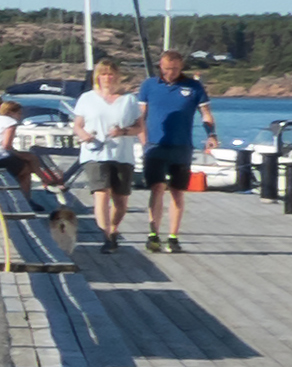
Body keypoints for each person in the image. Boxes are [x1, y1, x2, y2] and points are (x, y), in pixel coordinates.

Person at [141, 49, 212, 253]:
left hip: (181, 147)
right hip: (155, 145)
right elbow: (141, 116)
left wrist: (211, 134)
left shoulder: (193, 87)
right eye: (166, 69)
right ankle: (153, 233)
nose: (170, 72)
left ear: (181, 67)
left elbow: (205, 113)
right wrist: (143, 140)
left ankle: (173, 236)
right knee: (156, 188)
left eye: (174, 69)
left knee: (177, 191)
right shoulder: (149, 86)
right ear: (160, 67)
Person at [74, 58, 146, 247]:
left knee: (120, 201)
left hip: (122, 154)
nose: (107, 78)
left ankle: (114, 228)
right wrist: (83, 134)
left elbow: (139, 127)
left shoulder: (128, 100)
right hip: (95, 153)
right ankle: (105, 235)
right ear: (97, 77)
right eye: (103, 74)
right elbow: (78, 125)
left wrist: (122, 132)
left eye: (110, 74)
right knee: (101, 193)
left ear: (117, 76)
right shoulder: (87, 98)